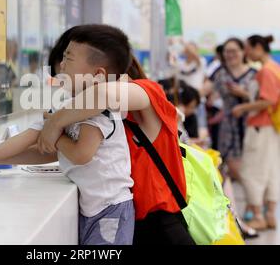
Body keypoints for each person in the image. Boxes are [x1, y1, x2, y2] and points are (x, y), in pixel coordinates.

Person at [0, 24, 136, 245]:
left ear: (97, 75)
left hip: (111, 210)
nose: (61, 65)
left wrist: (55, 133)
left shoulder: (99, 111)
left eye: (69, 59)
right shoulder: (66, 107)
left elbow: (81, 153)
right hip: (93, 208)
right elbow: (30, 136)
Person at [37, 48, 195, 245]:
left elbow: (104, 95)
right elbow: (51, 148)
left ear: (100, 73)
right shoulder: (98, 115)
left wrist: (54, 124)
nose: (65, 84)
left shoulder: (146, 92)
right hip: (130, 222)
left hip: (160, 227)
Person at [232, 35, 280, 231]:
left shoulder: (265, 71)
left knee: (251, 171)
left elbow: (268, 100)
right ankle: (269, 215)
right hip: (271, 128)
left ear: (258, 47)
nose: (246, 53)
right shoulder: (275, 68)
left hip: (260, 126)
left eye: (248, 49)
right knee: (270, 171)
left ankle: (258, 215)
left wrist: (242, 108)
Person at [202, 38, 256, 181]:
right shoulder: (220, 72)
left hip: (251, 123)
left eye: (234, 51)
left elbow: (264, 100)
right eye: (227, 51)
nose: (230, 55)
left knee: (251, 163)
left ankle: (252, 199)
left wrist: (243, 94)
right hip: (228, 126)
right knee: (231, 164)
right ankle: (246, 197)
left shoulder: (254, 74)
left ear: (243, 52)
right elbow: (203, 89)